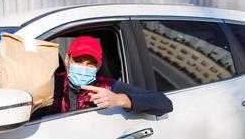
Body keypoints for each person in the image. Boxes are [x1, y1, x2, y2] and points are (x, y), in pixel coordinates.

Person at [35, 36, 173, 116]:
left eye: (91, 64)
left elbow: (164, 103)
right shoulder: (52, 84)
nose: (83, 67)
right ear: (67, 59)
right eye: (78, 61)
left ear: (99, 66)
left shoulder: (107, 86)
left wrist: (120, 99)